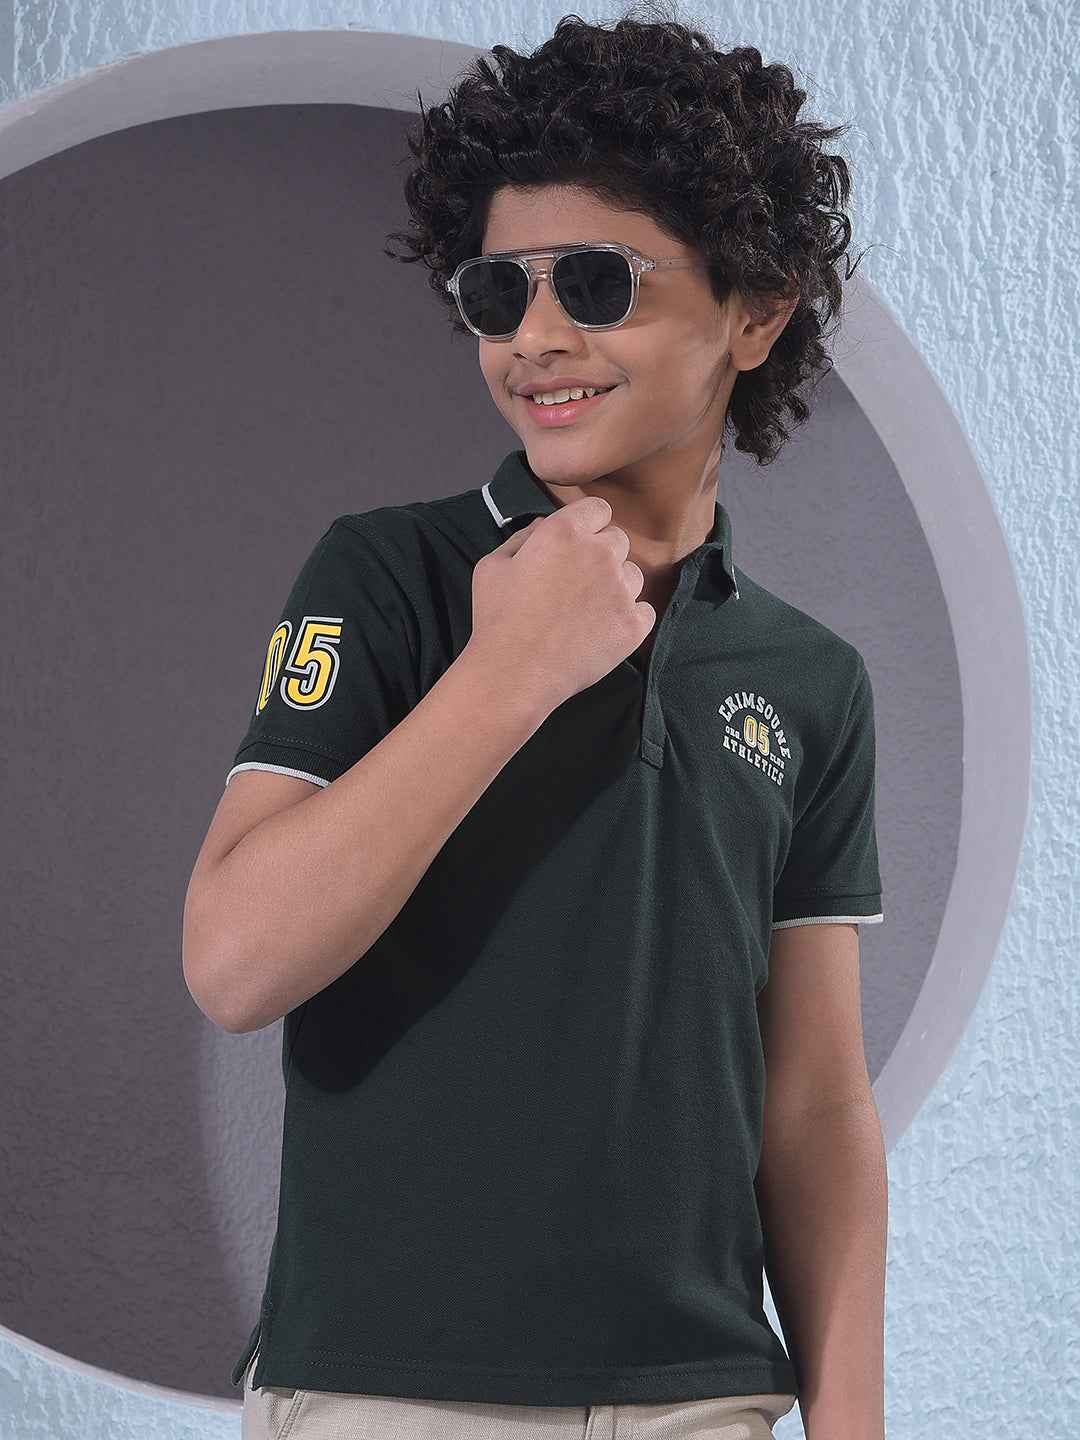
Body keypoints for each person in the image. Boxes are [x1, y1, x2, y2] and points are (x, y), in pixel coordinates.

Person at [183, 6, 888, 1437]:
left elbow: (814, 1102)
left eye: (600, 283)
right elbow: (237, 961)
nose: (539, 337)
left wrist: (854, 1422)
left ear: (755, 313)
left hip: (703, 1400)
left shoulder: (812, 681)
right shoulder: (388, 577)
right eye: (499, 293)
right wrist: (508, 672)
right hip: (391, 1392)